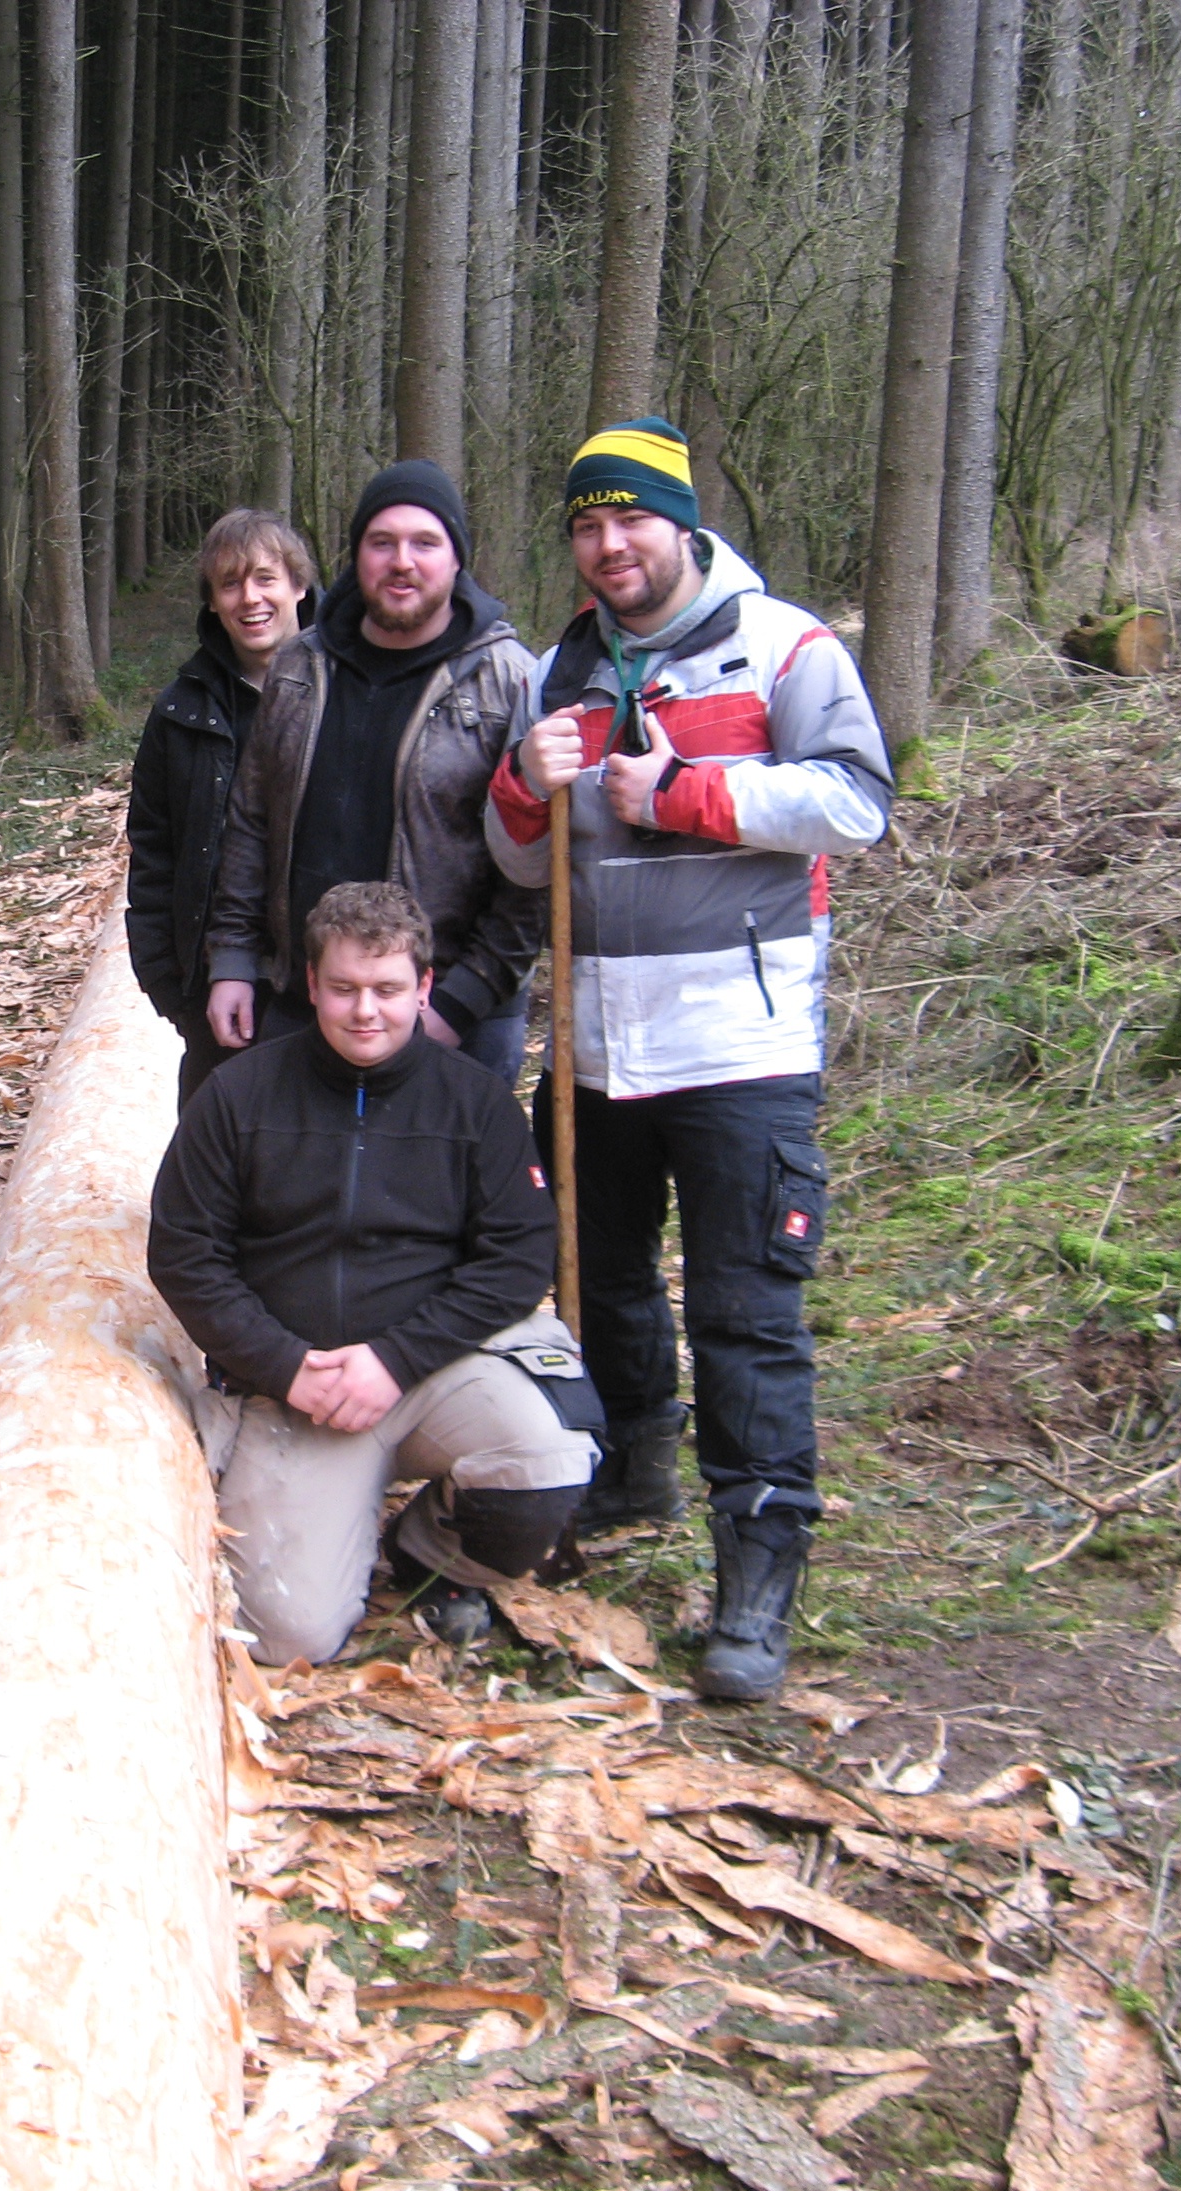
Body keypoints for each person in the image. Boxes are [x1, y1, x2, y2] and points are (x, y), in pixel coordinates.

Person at [486, 419, 892, 1702]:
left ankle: (757, 1572)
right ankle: (629, 1471)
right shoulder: (562, 666)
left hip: (740, 1049)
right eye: (588, 525)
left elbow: (857, 804)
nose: (610, 546)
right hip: (597, 1049)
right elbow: (520, 862)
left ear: (682, 524)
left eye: (631, 520)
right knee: (600, 1282)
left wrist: (684, 793)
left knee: (744, 1314)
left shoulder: (784, 646)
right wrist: (522, 785)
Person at [147, 881, 603, 1668]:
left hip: (433, 1370)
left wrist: (395, 1359)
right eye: (345, 988)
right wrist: (284, 1366)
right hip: (301, 1388)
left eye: (388, 990)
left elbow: (519, 1256)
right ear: (311, 984)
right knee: (290, 1637)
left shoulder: (476, 1103)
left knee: (550, 1460)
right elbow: (185, 1253)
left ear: (423, 986)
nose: (366, 1011)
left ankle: (432, 1553)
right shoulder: (238, 1097)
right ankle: (322, 1511)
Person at [202, 461, 541, 1080]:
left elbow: (531, 868)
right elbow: (251, 823)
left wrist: (459, 1002)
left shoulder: (511, 681)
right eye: (382, 542)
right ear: (357, 555)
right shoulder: (300, 667)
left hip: (455, 1017)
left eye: (425, 543)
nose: (402, 562)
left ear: (457, 559)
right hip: (304, 1003)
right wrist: (233, 961)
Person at [124, 507, 318, 1106]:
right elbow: (153, 853)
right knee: (214, 1151)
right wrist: (171, 986)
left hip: (326, 983)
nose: (250, 598)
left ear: (299, 586)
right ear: (211, 601)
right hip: (217, 992)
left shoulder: (345, 693)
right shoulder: (180, 713)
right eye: (230, 583)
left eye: (265, 578)